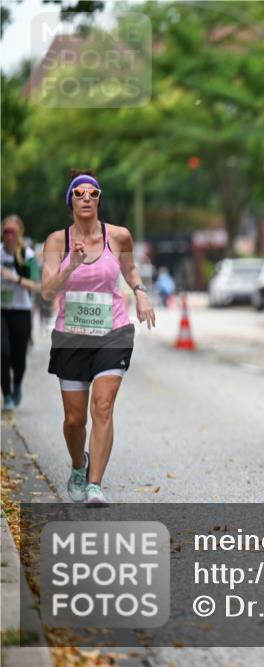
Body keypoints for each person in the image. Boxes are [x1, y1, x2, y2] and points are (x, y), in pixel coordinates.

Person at [40, 170, 156, 507]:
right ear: (71, 201)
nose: (87, 198)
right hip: (71, 337)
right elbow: (47, 291)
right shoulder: (57, 242)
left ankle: (94, 484)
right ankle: (79, 465)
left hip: (112, 332)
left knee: (103, 406)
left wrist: (140, 292)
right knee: (74, 420)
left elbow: (129, 268)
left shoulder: (118, 236)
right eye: (79, 193)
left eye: (93, 193)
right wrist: (70, 266)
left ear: (99, 199)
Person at [2, 215, 40, 410]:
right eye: (6, 231)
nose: (9, 236)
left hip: (21, 311)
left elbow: (37, 285)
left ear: (19, 233)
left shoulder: (27, 255)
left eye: (13, 232)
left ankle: (17, 384)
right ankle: (7, 395)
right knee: (2, 352)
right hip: (1, 311)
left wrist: (15, 278)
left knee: (18, 357)